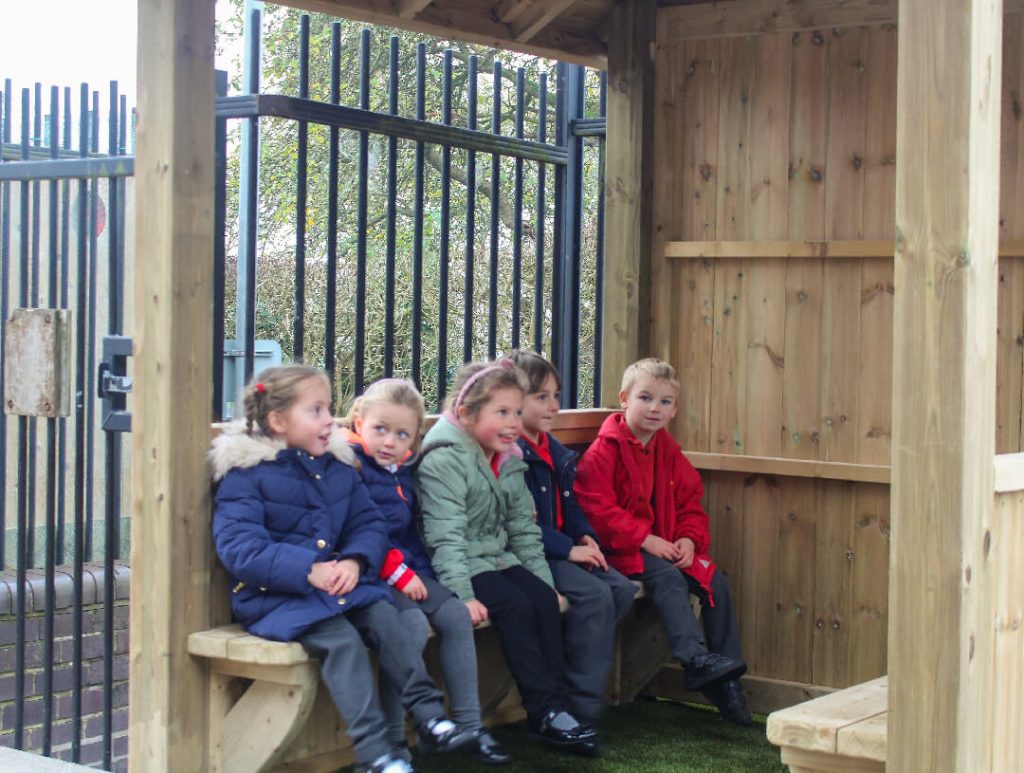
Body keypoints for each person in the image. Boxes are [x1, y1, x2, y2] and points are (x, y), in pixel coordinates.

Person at [210, 364, 474, 773]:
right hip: (280, 599)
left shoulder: (334, 466)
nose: (329, 419)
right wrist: (307, 570)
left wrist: (354, 560)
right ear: (278, 421)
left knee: (389, 619)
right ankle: (374, 753)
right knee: (344, 644)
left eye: (328, 408)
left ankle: (430, 715)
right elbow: (240, 548)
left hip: (342, 587)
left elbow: (368, 524)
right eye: (315, 410)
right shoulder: (245, 476)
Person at [415, 359, 597, 754]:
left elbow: (523, 532)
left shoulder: (509, 457)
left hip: (498, 558)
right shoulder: (444, 460)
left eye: (516, 412)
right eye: (502, 412)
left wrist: (548, 587)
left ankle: (555, 706)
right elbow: (445, 538)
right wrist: (463, 596)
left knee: (542, 600)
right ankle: (543, 710)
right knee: (515, 605)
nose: (513, 423)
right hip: (461, 565)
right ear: (466, 414)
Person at [573, 358, 753, 727]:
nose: (655, 408)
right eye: (646, 398)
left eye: (665, 402)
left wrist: (689, 539)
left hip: (661, 545)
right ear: (624, 400)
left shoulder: (666, 449)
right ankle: (693, 658)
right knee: (667, 577)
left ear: (674, 410)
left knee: (715, 580)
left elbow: (690, 501)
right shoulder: (604, 450)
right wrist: (644, 538)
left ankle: (727, 682)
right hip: (617, 551)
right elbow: (597, 511)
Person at [343, 378, 510, 765]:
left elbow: (414, 533)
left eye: (402, 434)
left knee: (454, 614)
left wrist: (429, 576)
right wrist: (399, 573)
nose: (389, 442)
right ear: (358, 422)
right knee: (411, 628)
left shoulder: (402, 471)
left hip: (411, 571)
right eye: (380, 429)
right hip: (373, 577)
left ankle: (469, 725)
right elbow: (357, 530)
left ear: (414, 439)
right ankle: (392, 742)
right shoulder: (351, 467)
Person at [509, 350, 636, 738]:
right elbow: (518, 525)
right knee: (595, 597)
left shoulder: (555, 450)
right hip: (540, 554)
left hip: (567, 546)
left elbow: (573, 506)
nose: (553, 406)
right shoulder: (514, 453)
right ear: (515, 401)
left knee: (623, 589)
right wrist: (568, 549)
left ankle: (572, 670)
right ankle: (579, 701)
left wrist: (586, 537)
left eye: (556, 396)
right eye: (541, 397)